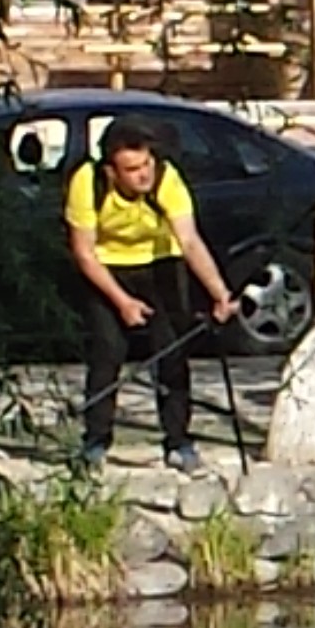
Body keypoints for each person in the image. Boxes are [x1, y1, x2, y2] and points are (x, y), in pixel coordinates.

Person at [67, 119, 239, 470]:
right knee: (108, 352)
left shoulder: (167, 178)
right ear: (111, 171)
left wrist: (219, 294)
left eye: (146, 164)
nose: (144, 175)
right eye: (132, 169)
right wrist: (122, 302)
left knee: (172, 353)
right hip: (107, 269)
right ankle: (95, 442)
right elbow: (83, 252)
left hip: (161, 264)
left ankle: (178, 441)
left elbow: (189, 241)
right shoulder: (87, 183)